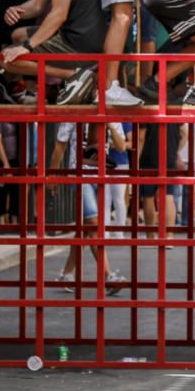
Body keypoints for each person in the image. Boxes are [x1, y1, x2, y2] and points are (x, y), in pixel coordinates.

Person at [50, 122, 126, 294]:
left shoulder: (112, 117)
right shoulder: (73, 116)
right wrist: (52, 175)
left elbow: (121, 147)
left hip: (100, 177)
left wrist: (111, 127)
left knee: (84, 230)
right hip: (79, 175)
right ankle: (108, 276)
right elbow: (59, 147)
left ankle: (66, 274)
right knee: (93, 224)